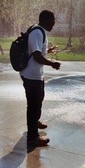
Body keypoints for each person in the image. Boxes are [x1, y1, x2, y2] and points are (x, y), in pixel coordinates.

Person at [20, 10, 61, 147]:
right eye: (52, 21)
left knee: (37, 101)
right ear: (45, 20)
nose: (53, 24)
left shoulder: (38, 30)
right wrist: (52, 64)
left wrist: (47, 51)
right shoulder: (37, 32)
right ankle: (33, 137)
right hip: (32, 75)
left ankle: (35, 122)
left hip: (34, 74)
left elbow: (36, 51)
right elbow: (37, 56)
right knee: (33, 105)